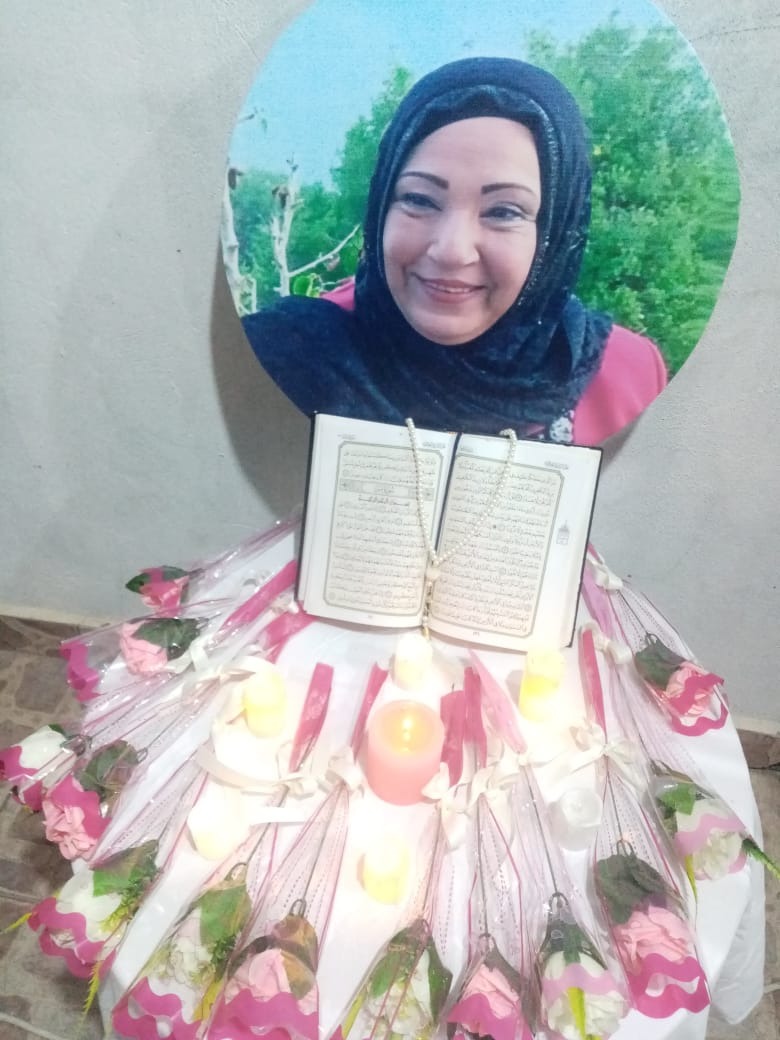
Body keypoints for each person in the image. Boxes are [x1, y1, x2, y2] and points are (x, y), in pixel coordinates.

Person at [241, 57, 667, 446]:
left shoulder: (628, 379)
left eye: (503, 211)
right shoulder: (287, 358)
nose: (452, 251)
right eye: (420, 200)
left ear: (554, 233)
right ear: (381, 205)